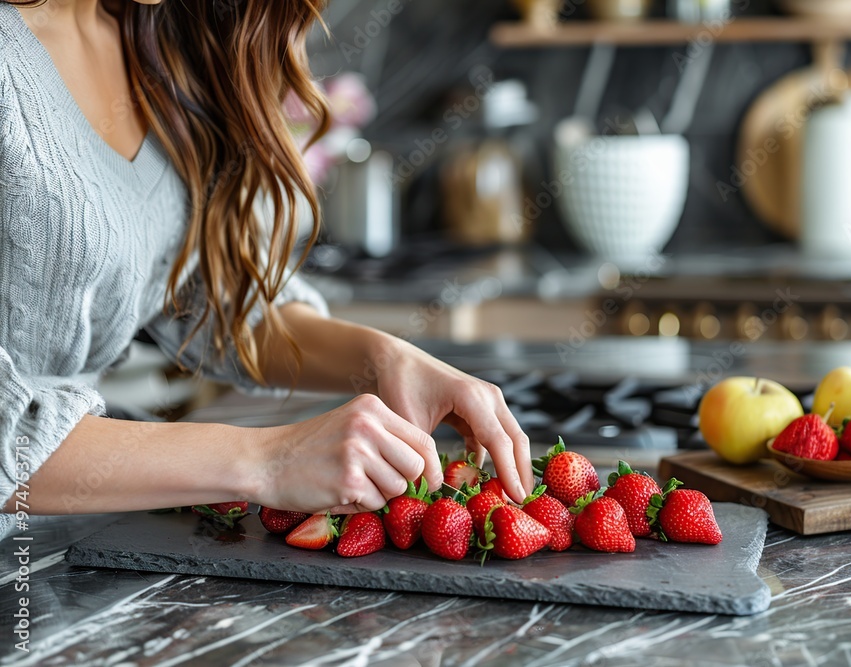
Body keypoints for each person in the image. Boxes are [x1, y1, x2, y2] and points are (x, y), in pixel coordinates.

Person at [0, 0, 534, 536]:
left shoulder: (150, 39)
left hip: (49, 543)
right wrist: (265, 458)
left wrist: (385, 359)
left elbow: (209, 298)